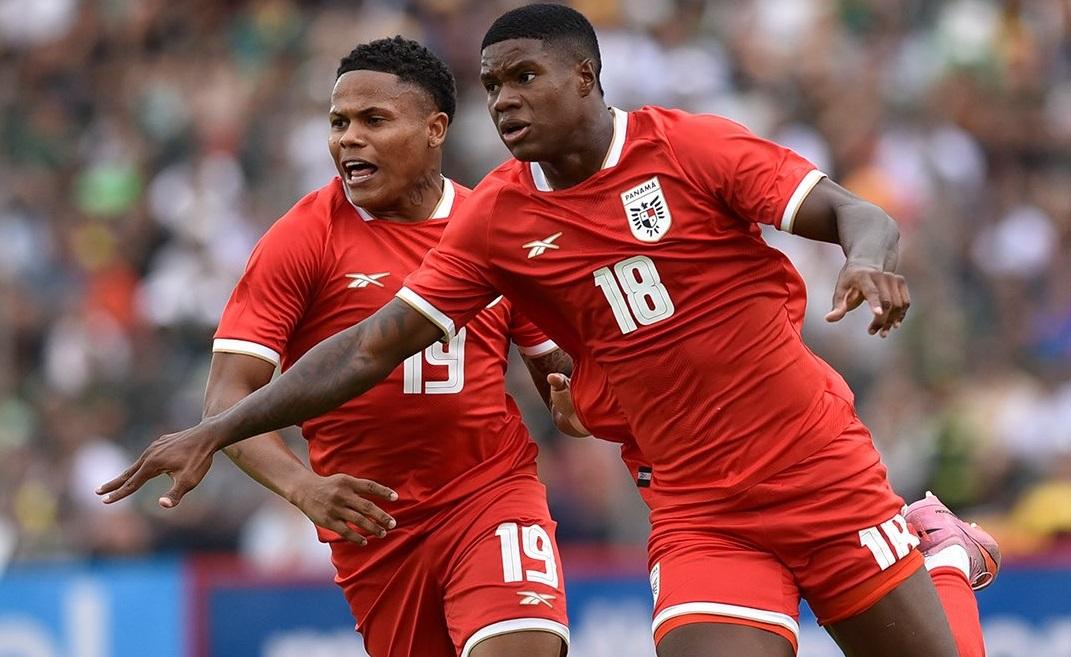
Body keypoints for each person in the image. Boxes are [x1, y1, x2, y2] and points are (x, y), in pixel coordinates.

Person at [99, 5, 999, 657]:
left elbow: (853, 210)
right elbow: (374, 344)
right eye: (493, 85)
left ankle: (943, 557)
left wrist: (866, 259)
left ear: (585, 79)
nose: (504, 100)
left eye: (523, 77)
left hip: (813, 466)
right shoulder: (494, 220)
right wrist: (219, 429)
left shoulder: (689, 148)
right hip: (696, 504)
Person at [152, 36, 572, 657]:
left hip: (490, 492)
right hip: (374, 527)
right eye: (339, 122)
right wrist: (303, 488)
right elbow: (227, 395)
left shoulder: (494, 223)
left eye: (374, 120)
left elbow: (559, 375)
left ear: (434, 129)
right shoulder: (302, 238)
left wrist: (579, 399)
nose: (349, 138)